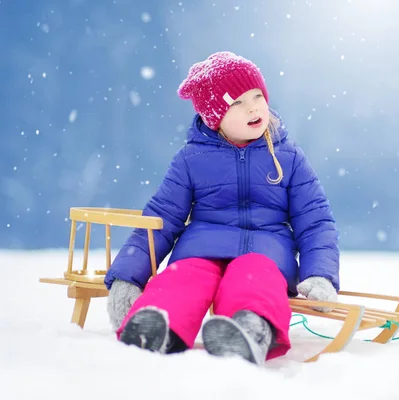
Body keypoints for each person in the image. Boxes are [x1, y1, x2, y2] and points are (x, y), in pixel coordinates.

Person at [104, 51, 340, 365]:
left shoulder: (288, 157)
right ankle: (157, 324)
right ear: (214, 117)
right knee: (184, 276)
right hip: (202, 248)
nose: (254, 106)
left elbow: (315, 221)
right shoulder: (191, 158)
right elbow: (161, 219)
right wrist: (127, 277)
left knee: (254, 278)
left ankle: (250, 329)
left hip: (266, 253)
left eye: (257, 95)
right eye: (238, 102)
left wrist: (320, 274)